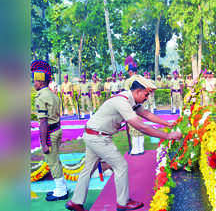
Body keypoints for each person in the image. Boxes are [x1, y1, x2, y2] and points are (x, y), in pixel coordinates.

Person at [65, 75, 182, 211]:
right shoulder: (123, 102)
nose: (147, 98)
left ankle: (76, 201)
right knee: (121, 166)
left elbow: (146, 114)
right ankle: (123, 202)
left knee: (88, 169)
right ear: (138, 91)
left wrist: (167, 123)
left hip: (92, 134)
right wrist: (168, 135)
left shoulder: (130, 99)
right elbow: (141, 126)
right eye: (146, 94)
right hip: (99, 138)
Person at [31, 60, 69, 201]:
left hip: (50, 133)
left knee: (52, 162)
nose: (34, 84)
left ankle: (61, 191)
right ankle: (61, 187)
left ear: (41, 82)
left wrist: (43, 143)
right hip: (57, 130)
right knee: (56, 160)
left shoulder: (41, 96)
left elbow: (43, 122)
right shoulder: (53, 94)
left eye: (35, 81)